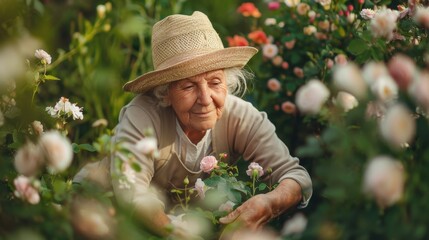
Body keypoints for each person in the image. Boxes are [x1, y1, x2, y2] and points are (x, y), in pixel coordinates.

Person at [75, 11, 312, 238]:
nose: (206, 98)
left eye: (215, 82)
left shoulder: (240, 116)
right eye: (188, 86)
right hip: (100, 211)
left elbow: (295, 176)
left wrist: (269, 203)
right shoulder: (143, 114)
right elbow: (132, 192)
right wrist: (176, 233)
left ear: (227, 83)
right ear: (165, 93)